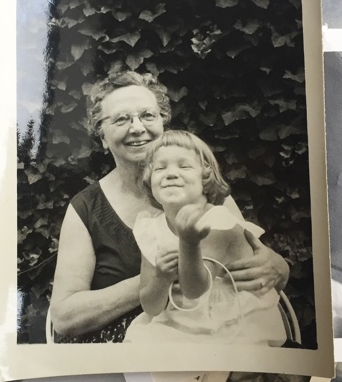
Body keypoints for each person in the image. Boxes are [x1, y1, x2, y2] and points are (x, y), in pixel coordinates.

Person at [49, 71, 290, 343]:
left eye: (148, 116)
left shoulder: (205, 192)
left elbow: (245, 271)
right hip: (124, 348)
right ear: (102, 137)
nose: (138, 127)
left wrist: (280, 267)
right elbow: (63, 317)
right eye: (121, 119)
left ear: (163, 125)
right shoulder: (86, 209)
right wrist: (154, 278)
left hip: (213, 337)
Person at [123, 130, 286, 345]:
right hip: (184, 319)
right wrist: (161, 279)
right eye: (160, 168)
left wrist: (189, 242)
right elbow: (150, 307)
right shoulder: (151, 228)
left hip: (235, 319)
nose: (171, 173)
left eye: (184, 166)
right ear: (149, 180)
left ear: (205, 177)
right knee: (140, 346)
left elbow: (194, 290)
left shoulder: (218, 221)